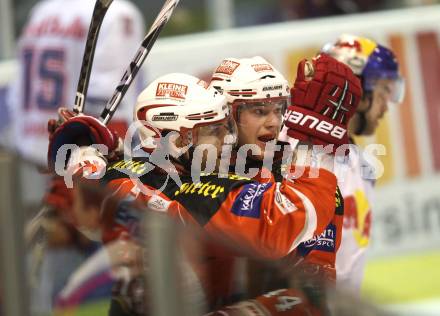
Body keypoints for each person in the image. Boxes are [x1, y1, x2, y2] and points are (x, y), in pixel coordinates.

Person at [46, 72, 340, 315]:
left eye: (226, 127)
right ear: (175, 141)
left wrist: (85, 150)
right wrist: (313, 140)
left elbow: (93, 188)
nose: (228, 140)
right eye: (213, 131)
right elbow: (282, 224)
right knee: (298, 306)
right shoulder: (196, 192)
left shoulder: (125, 173)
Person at [8, 0, 145, 312]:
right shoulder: (118, 12)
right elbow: (106, 111)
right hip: (82, 172)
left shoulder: (43, 11)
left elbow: (16, 100)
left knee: (45, 285)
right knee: (108, 287)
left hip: (35, 161)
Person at [208, 55, 361, 304]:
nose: (274, 122)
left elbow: (313, 296)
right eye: (259, 111)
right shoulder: (193, 168)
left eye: (279, 110)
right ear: (226, 115)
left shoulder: (304, 181)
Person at [7, 0, 145, 164]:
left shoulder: (41, 11)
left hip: (31, 149)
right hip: (79, 156)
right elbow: (109, 104)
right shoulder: (118, 13)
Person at [321, 34, 405, 293]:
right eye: (384, 91)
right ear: (357, 90)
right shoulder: (289, 151)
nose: (387, 106)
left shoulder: (363, 167)